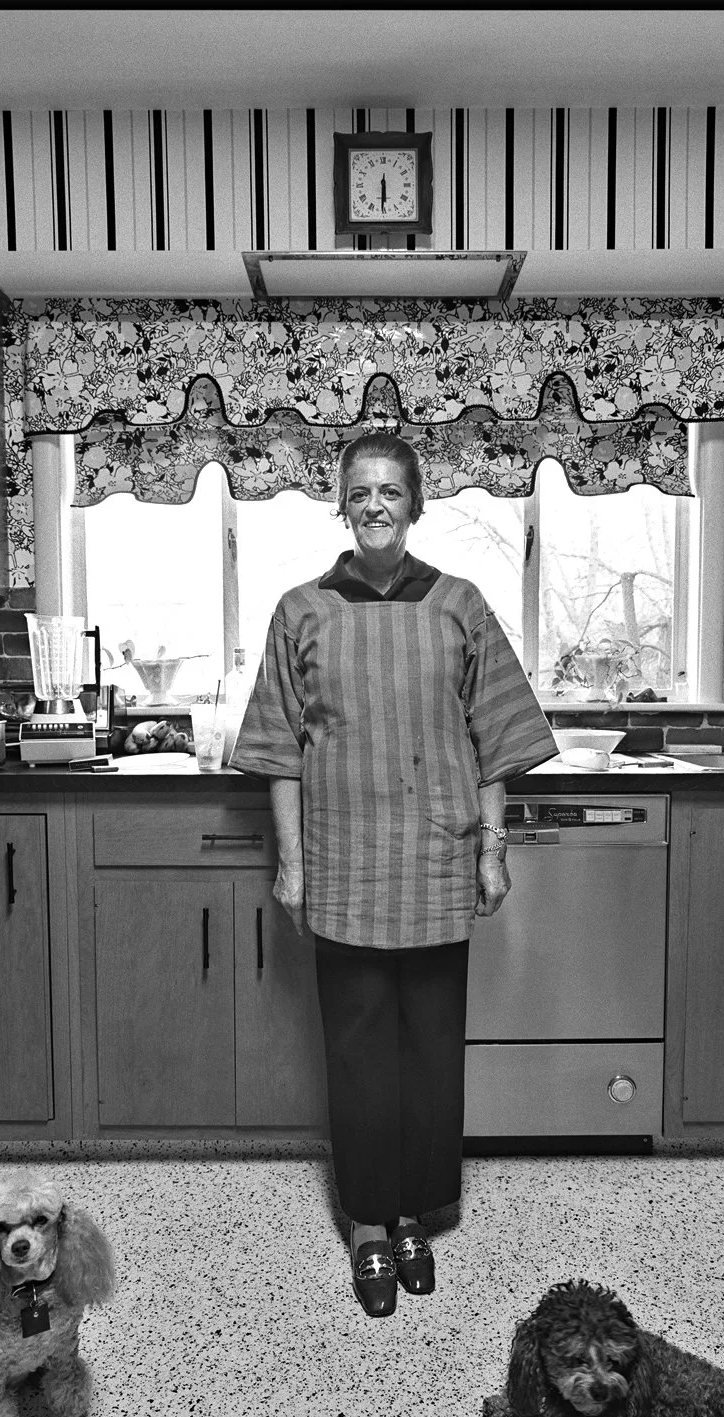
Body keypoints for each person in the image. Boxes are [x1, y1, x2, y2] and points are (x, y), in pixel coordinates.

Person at [230, 431, 556, 1317]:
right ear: (344, 505)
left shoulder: (460, 604)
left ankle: (416, 1210)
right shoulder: (302, 609)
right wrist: (292, 864)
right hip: (340, 862)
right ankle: (369, 1224)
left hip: (438, 856)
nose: (375, 504)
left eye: (390, 492)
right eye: (360, 492)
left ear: (415, 505)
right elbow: (278, 752)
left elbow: (497, 738)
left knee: (428, 1049)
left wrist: (492, 849)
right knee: (358, 1050)